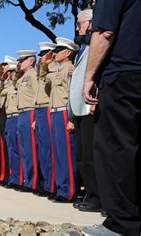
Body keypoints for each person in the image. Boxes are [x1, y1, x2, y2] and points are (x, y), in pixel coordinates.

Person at [82, 0, 141, 235]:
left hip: (123, 77)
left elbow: (104, 32)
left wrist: (89, 77)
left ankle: (122, 224)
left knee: (116, 148)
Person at [66, 9, 101, 213]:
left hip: (89, 107)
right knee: (81, 155)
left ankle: (97, 196)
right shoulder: (83, 48)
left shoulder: (94, 47)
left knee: (90, 155)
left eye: (80, 23)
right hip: (78, 110)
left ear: (90, 23)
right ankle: (90, 193)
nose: (77, 27)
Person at [46, 37, 79, 203]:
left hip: (64, 113)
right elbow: (45, 77)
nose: (55, 53)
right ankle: (61, 188)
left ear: (68, 53)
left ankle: (69, 191)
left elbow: (72, 94)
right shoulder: (58, 70)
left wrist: (72, 118)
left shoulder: (71, 69)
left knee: (66, 154)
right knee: (57, 153)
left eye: (58, 51)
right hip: (54, 113)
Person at [34, 42, 57, 197]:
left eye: (44, 55)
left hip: (49, 108)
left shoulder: (55, 68)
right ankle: (46, 183)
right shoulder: (42, 71)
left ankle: (52, 184)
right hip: (39, 110)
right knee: (42, 150)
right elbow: (41, 76)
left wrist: (47, 64)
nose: (41, 58)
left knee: (49, 150)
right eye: (40, 55)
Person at [15, 50, 39, 192]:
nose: (20, 63)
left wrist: (36, 117)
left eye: (22, 60)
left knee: (31, 150)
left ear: (31, 61)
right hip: (21, 113)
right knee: (23, 149)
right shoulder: (23, 77)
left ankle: (33, 182)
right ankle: (27, 180)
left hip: (30, 112)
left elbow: (37, 94)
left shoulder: (33, 75)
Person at [0, 56, 15, 184]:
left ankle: (9, 175)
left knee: (8, 147)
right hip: (1, 114)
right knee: (1, 147)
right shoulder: (4, 81)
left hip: (9, 114)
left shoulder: (14, 80)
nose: (3, 67)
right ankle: (3, 174)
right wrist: (2, 77)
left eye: (5, 65)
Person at [2, 60, 23, 188]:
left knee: (17, 149)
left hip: (16, 116)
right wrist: (3, 77)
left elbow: (15, 82)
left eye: (10, 71)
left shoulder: (17, 81)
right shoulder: (8, 84)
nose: (8, 73)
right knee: (10, 150)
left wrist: (14, 70)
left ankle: (19, 178)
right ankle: (14, 177)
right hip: (9, 118)